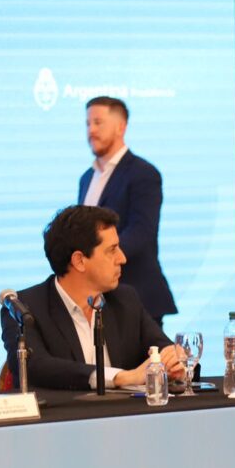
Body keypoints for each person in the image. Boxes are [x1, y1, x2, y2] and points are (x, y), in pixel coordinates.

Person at [0, 205, 184, 391]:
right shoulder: (23, 309)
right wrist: (121, 377)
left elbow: (163, 348)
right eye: (112, 250)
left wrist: (174, 361)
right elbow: (35, 367)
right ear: (79, 261)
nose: (122, 258)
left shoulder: (125, 300)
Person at [79, 96, 176, 329]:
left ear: (120, 127)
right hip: (96, 299)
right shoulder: (87, 178)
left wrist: (98, 257)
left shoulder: (143, 173)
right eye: (88, 123)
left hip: (137, 296)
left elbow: (142, 231)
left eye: (98, 122)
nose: (91, 130)